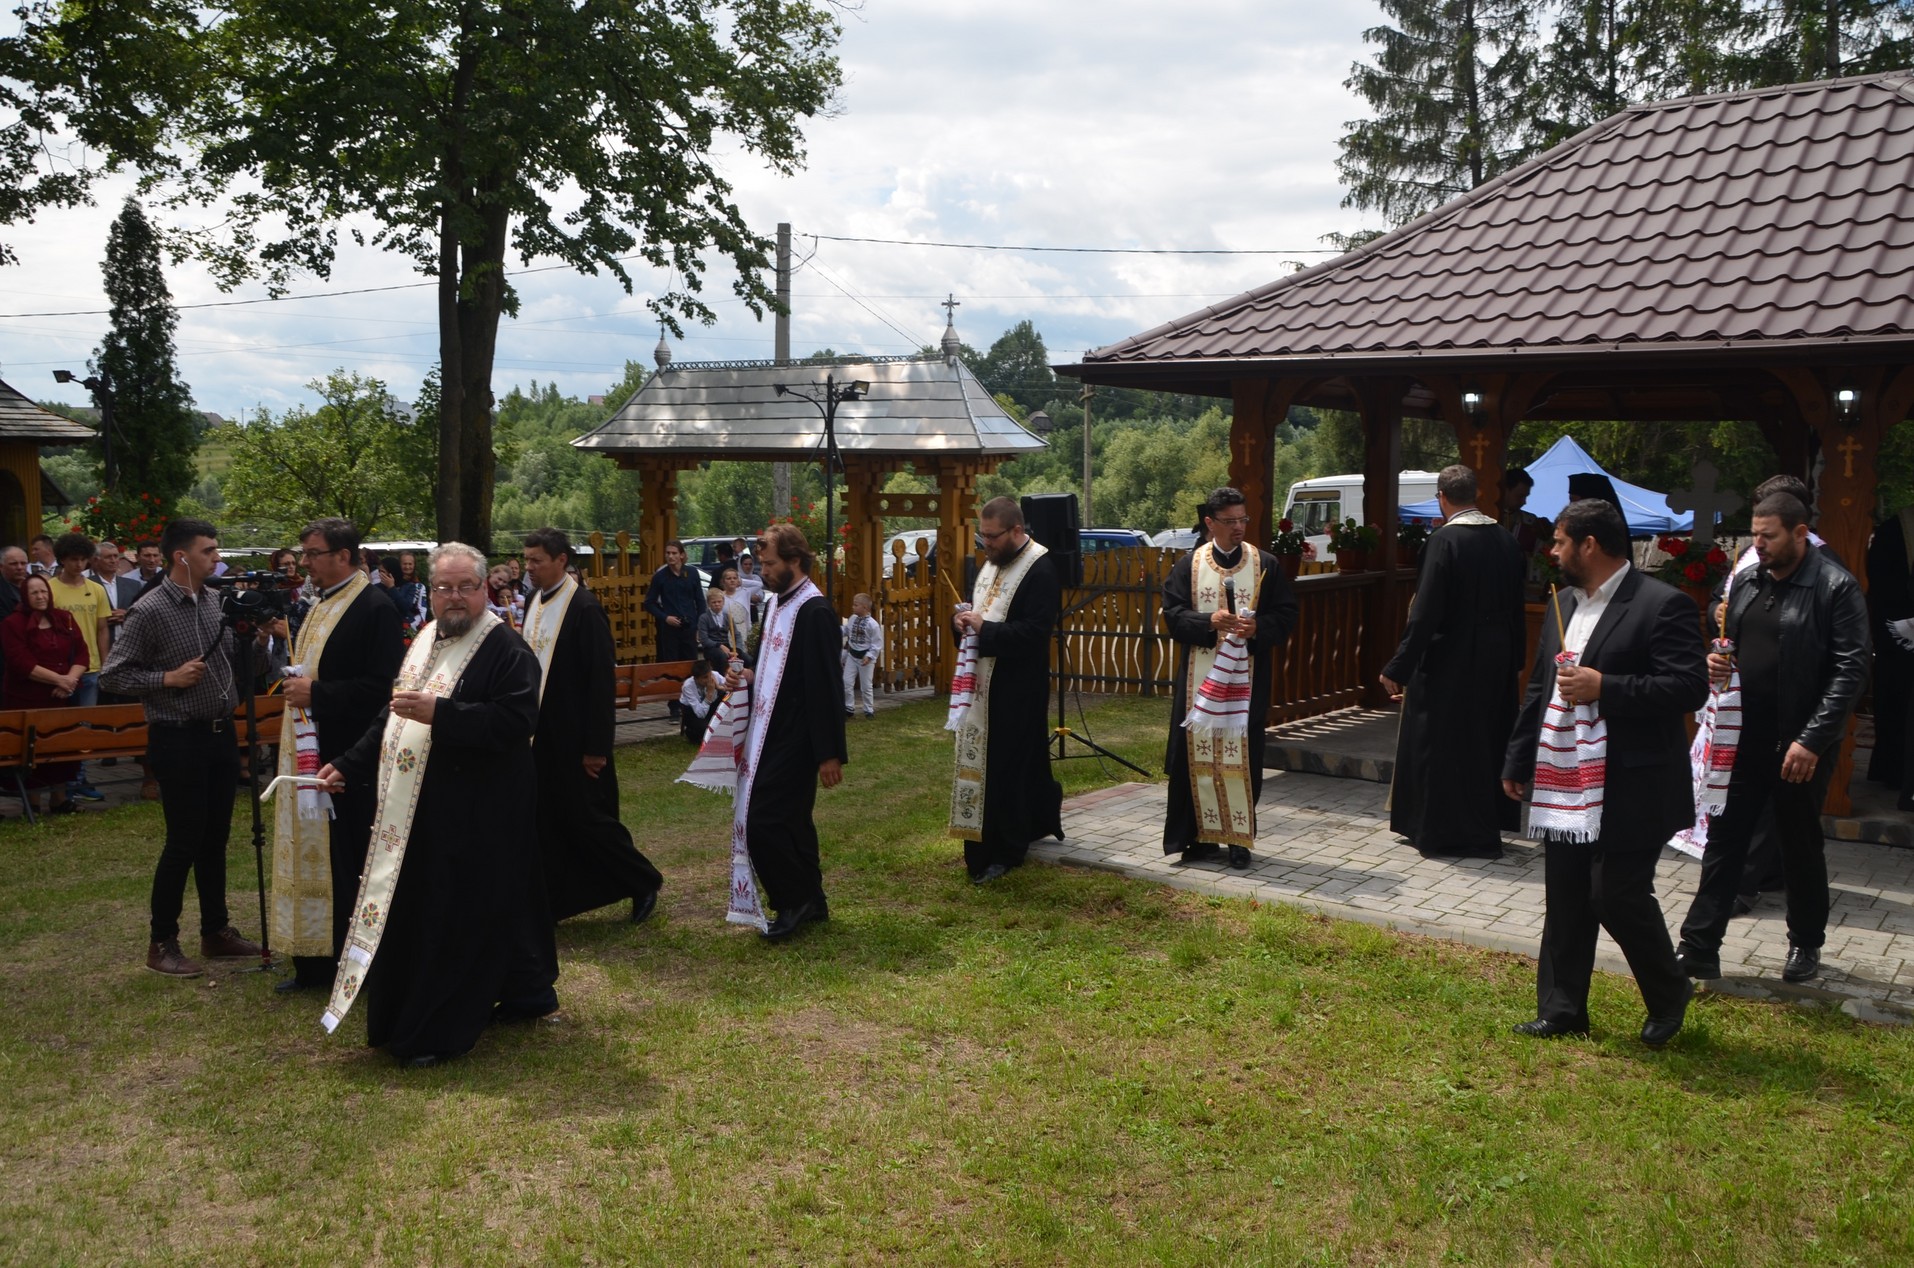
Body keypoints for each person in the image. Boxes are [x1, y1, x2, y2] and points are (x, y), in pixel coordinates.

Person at [314, 542, 559, 1067]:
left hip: (479, 810)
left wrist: (443, 714)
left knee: (458, 916)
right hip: (422, 807)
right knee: (445, 910)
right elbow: (394, 712)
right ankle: (528, 990)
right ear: (431, 591)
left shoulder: (507, 649)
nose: (455, 597)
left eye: (466, 587)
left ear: (484, 589)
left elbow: (517, 722)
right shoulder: (426, 637)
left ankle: (438, 1031)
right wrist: (350, 762)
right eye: (444, 587)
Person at [1501, 499, 1709, 1045]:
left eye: (1560, 541)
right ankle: (1563, 1009)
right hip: (1565, 776)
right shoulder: (1561, 602)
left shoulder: (1662, 604)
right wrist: (1519, 758)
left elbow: (1690, 687)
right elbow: (1539, 688)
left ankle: (1669, 992)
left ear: (1589, 545)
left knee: (1614, 893)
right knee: (1567, 894)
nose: (1552, 551)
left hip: (1634, 782)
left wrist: (1605, 688)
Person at [1676, 493, 1871, 985]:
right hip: (1742, 735)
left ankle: (1805, 942)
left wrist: (1812, 740)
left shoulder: (1835, 587)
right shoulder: (1748, 581)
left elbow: (1851, 670)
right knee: (1725, 839)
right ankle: (1698, 947)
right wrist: (1719, 661)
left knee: (1797, 843)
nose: (1758, 544)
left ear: (1800, 533)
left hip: (1799, 744)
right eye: (1755, 535)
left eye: (1769, 536)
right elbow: (1731, 640)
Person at [100, 517, 266, 978]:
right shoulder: (150, 609)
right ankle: (162, 942)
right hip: (177, 738)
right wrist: (167, 678)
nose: (217, 558)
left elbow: (244, 665)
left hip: (221, 734)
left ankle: (216, 932)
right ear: (181, 556)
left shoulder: (215, 602)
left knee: (215, 838)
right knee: (184, 840)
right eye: (208, 551)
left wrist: (258, 638)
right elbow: (113, 675)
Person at [269, 518, 407, 994]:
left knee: (350, 862)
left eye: (313, 553)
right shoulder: (319, 603)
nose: (304, 562)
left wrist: (318, 693)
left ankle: (359, 963)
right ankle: (316, 961)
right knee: (322, 860)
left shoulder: (375, 607)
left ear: (344, 556)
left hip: (348, 758)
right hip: (312, 752)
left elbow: (385, 690)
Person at [1380, 465, 1527, 859]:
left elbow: (1425, 612)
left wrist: (1398, 667)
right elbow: (1516, 607)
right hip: (1496, 658)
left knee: (1443, 745)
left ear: (1441, 497)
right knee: (1485, 742)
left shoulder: (1444, 541)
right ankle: (1482, 829)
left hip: (1450, 660)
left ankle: (1442, 832)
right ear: (1476, 494)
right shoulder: (1506, 540)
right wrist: (1516, 660)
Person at [520, 528, 664, 927]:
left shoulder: (583, 608)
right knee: (547, 821)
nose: (529, 567)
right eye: (527, 560)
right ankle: (553, 902)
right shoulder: (533, 600)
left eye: (536, 560)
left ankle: (642, 880)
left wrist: (597, 746)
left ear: (561, 560)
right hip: (540, 737)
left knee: (587, 818)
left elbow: (601, 682)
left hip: (576, 739)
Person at [1161, 486, 1301, 868]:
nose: (1239, 527)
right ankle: (1197, 838)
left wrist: (1258, 629)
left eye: (1243, 519)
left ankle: (1238, 838)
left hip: (1246, 683)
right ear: (1210, 522)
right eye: (1230, 521)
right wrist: (1209, 621)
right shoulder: (1189, 566)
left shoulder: (1264, 564)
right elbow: (1173, 616)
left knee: (1242, 756)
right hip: (1200, 681)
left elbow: (1286, 614)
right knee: (1197, 754)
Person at [722, 523, 845, 939]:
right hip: (768, 731)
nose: (764, 571)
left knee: (764, 821)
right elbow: (771, 667)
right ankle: (812, 900)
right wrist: (746, 675)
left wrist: (829, 753)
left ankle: (793, 901)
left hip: (799, 736)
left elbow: (826, 687)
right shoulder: (776, 603)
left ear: (795, 561)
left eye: (771, 564)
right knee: (793, 821)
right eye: (761, 564)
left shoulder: (815, 611)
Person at [948, 499, 1063, 881]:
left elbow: (1035, 634)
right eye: (982, 536)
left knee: (1010, 770)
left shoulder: (1040, 569)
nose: (986, 544)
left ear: (1016, 531)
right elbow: (980, 614)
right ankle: (987, 841)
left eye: (992, 536)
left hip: (1018, 689)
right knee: (989, 767)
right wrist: (961, 622)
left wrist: (985, 629)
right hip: (983, 687)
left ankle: (1007, 851)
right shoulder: (992, 564)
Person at [0, 574, 89, 814]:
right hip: (27, 698)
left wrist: (69, 680)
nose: (41, 596)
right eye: (34, 593)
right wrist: (59, 679)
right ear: (25, 596)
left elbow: (82, 654)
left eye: (44, 592)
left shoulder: (64, 618)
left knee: (61, 746)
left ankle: (59, 800)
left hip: (61, 696)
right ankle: (33, 803)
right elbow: (20, 662)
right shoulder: (12, 623)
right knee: (32, 749)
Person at [50, 532, 111, 801]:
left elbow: (102, 628)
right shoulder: (50, 588)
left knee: (85, 727)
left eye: (83, 559)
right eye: (73, 559)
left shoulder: (95, 589)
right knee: (60, 727)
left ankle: (79, 779)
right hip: (59, 670)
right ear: (62, 559)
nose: (78, 565)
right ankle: (60, 783)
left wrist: (105, 661)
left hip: (91, 668)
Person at [1866, 499, 1913, 812]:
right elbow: (1882, 583)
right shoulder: (1896, 530)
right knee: (1896, 701)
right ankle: (1893, 770)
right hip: (1899, 632)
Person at [646, 541, 705, 712]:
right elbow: (649, 603)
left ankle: (692, 703)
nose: (670, 556)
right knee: (672, 667)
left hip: (689, 627)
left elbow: (700, 600)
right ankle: (674, 706)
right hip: (670, 628)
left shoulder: (691, 573)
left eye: (674, 553)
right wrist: (665, 617)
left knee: (690, 665)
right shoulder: (660, 577)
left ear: (681, 555)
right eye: (668, 553)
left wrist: (699, 625)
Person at [842, 592, 883, 719]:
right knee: (846, 682)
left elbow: (877, 643)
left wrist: (869, 656)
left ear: (864, 607)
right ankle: (849, 707)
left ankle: (868, 710)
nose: (853, 607)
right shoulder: (852, 619)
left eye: (856, 605)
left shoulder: (873, 625)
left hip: (865, 659)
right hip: (852, 656)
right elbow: (847, 630)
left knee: (866, 686)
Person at [679, 658, 725, 745]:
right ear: (696, 678)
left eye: (710, 675)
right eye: (705, 677)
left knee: (725, 695)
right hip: (692, 713)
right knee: (708, 729)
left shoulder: (715, 675)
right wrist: (709, 694)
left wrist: (719, 687)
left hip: (709, 708)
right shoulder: (688, 686)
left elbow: (731, 688)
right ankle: (692, 732)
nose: (709, 679)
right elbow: (700, 714)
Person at [696, 586, 734, 666]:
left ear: (723, 602)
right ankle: (723, 673)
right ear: (708, 604)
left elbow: (737, 634)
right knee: (722, 657)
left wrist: (737, 649)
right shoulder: (704, 618)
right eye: (714, 602)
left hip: (726, 646)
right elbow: (704, 639)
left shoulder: (728, 617)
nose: (717, 604)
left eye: (719, 601)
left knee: (747, 659)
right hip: (711, 649)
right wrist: (719, 646)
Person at [0, 545, 26, 623]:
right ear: (1, 567)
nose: (19, 567)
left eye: (23, 563)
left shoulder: (35, 585)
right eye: (13, 564)